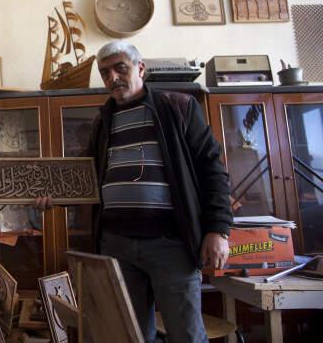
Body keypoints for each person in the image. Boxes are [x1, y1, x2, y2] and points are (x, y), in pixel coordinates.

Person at [35, 41, 232, 343]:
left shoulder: (177, 108)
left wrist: (218, 229)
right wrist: (56, 196)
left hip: (171, 246)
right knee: (128, 336)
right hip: (117, 247)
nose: (112, 77)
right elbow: (86, 178)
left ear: (141, 68)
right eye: (105, 72)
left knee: (187, 336)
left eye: (120, 68)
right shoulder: (103, 122)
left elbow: (212, 169)